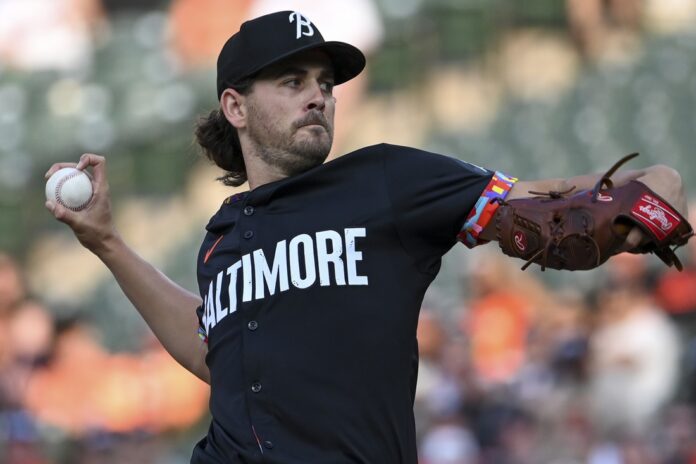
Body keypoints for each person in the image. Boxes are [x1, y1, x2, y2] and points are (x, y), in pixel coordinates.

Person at [44, 10, 689, 464]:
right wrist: (107, 244)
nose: (318, 97)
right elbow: (212, 349)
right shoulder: (221, 240)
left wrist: (648, 188)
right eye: (292, 82)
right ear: (236, 107)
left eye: (324, 84)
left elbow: (543, 206)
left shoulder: (385, 180)